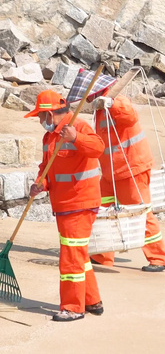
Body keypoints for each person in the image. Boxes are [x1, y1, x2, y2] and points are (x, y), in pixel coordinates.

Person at [67, 69, 165, 273]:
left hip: (132, 168)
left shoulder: (116, 101)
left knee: (141, 212)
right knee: (103, 209)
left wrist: (112, 103)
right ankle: (103, 255)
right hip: (110, 172)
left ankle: (159, 257)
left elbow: (129, 115)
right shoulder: (99, 108)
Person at [25, 89, 105, 322]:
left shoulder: (77, 127)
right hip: (64, 204)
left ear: (50, 114)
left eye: (41, 117)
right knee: (78, 254)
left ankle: (73, 307)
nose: (40, 121)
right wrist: (41, 183)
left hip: (80, 202)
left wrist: (75, 138)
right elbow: (48, 167)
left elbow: (98, 148)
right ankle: (92, 301)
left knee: (70, 257)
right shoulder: (50, 137)